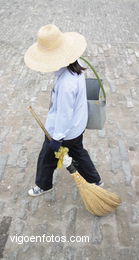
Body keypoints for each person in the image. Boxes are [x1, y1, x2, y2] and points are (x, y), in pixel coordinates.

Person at [24, 24, 103, 196]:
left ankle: (43, 185)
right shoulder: (76, 63)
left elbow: (64, 113)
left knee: (46, 157)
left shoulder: (67, 84)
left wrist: (57, 138)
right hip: (77, 126)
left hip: (64, 131)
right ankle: (95, 179)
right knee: (78, 152)